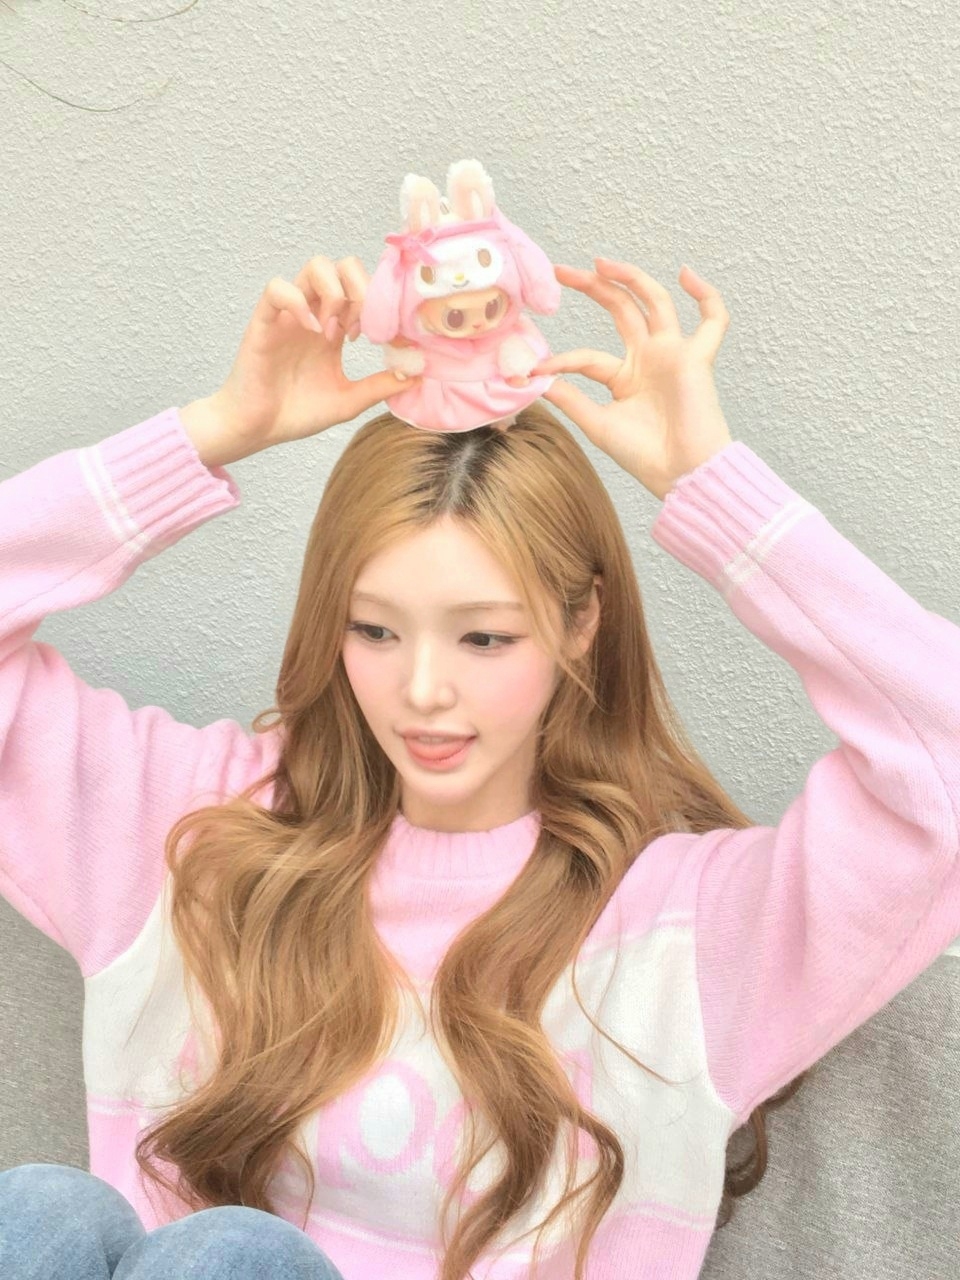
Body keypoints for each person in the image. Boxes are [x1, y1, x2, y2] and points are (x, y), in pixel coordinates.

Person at [0, 251, 957, 1280]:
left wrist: (714, 489)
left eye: (485, 638)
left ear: (581, 624)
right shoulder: (195, 830)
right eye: (374, 630)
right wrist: (217, 429)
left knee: (231, 1256)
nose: (421, 690)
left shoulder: (687, 932)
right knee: (47, 1211)